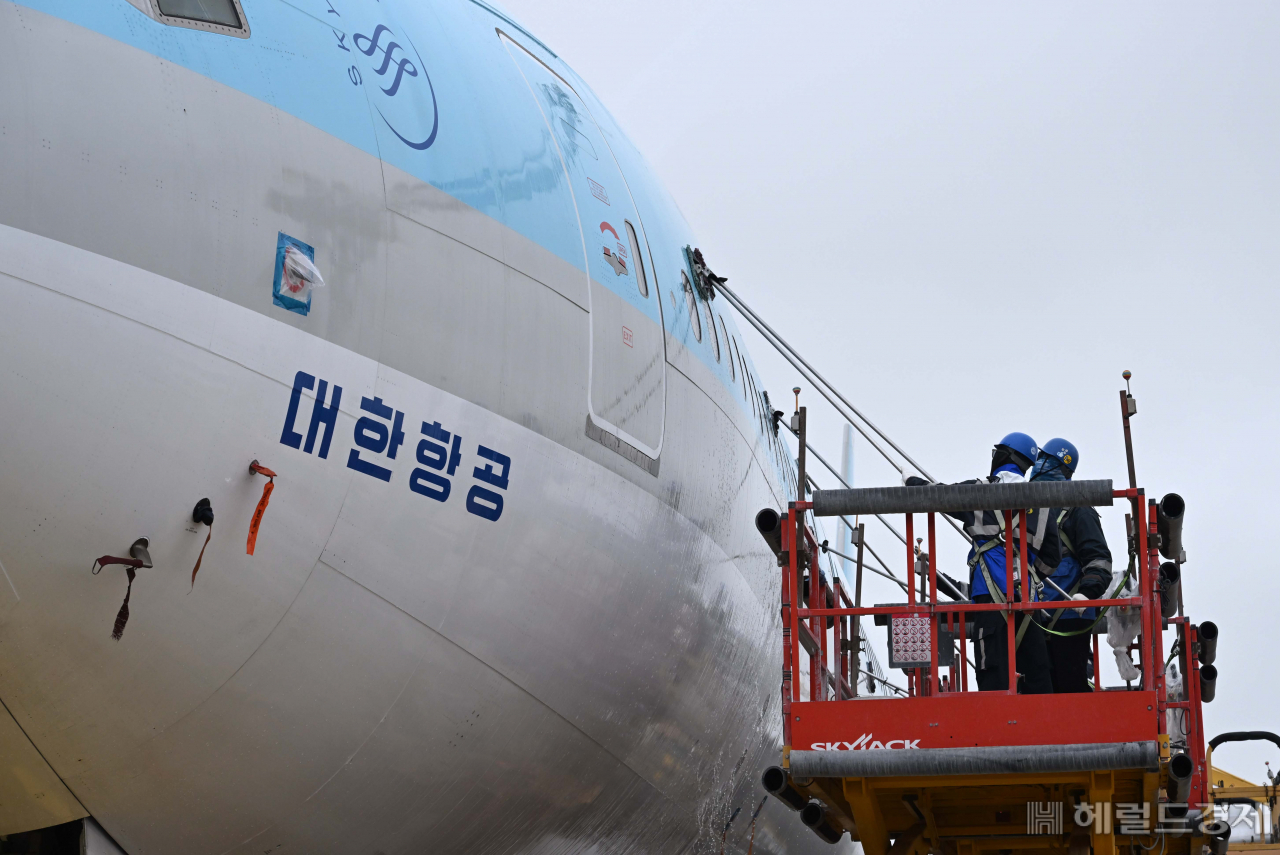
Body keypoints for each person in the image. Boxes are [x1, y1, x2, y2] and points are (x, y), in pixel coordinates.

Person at [908, 432, 1060, 693]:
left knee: (993, 677)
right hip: (1028, 602)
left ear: (1005, 455)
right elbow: (1052, 559)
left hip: (988, 603)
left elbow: (938, 496)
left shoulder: (979, 492)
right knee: (1037, 676)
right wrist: (1028, 574)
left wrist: (911, 481)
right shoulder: (1043, 502)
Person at [1027, 438, 1113, 693]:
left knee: (1070, 688)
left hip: (1070, 613)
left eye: (1047, 461)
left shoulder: (1078, 510)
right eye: (1038, 460)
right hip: (1032, 614)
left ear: (1062, 468)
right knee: (1037, 691)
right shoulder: (1027, 508)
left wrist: (1086, 594)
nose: (1039, 466)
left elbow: (1099, 560)